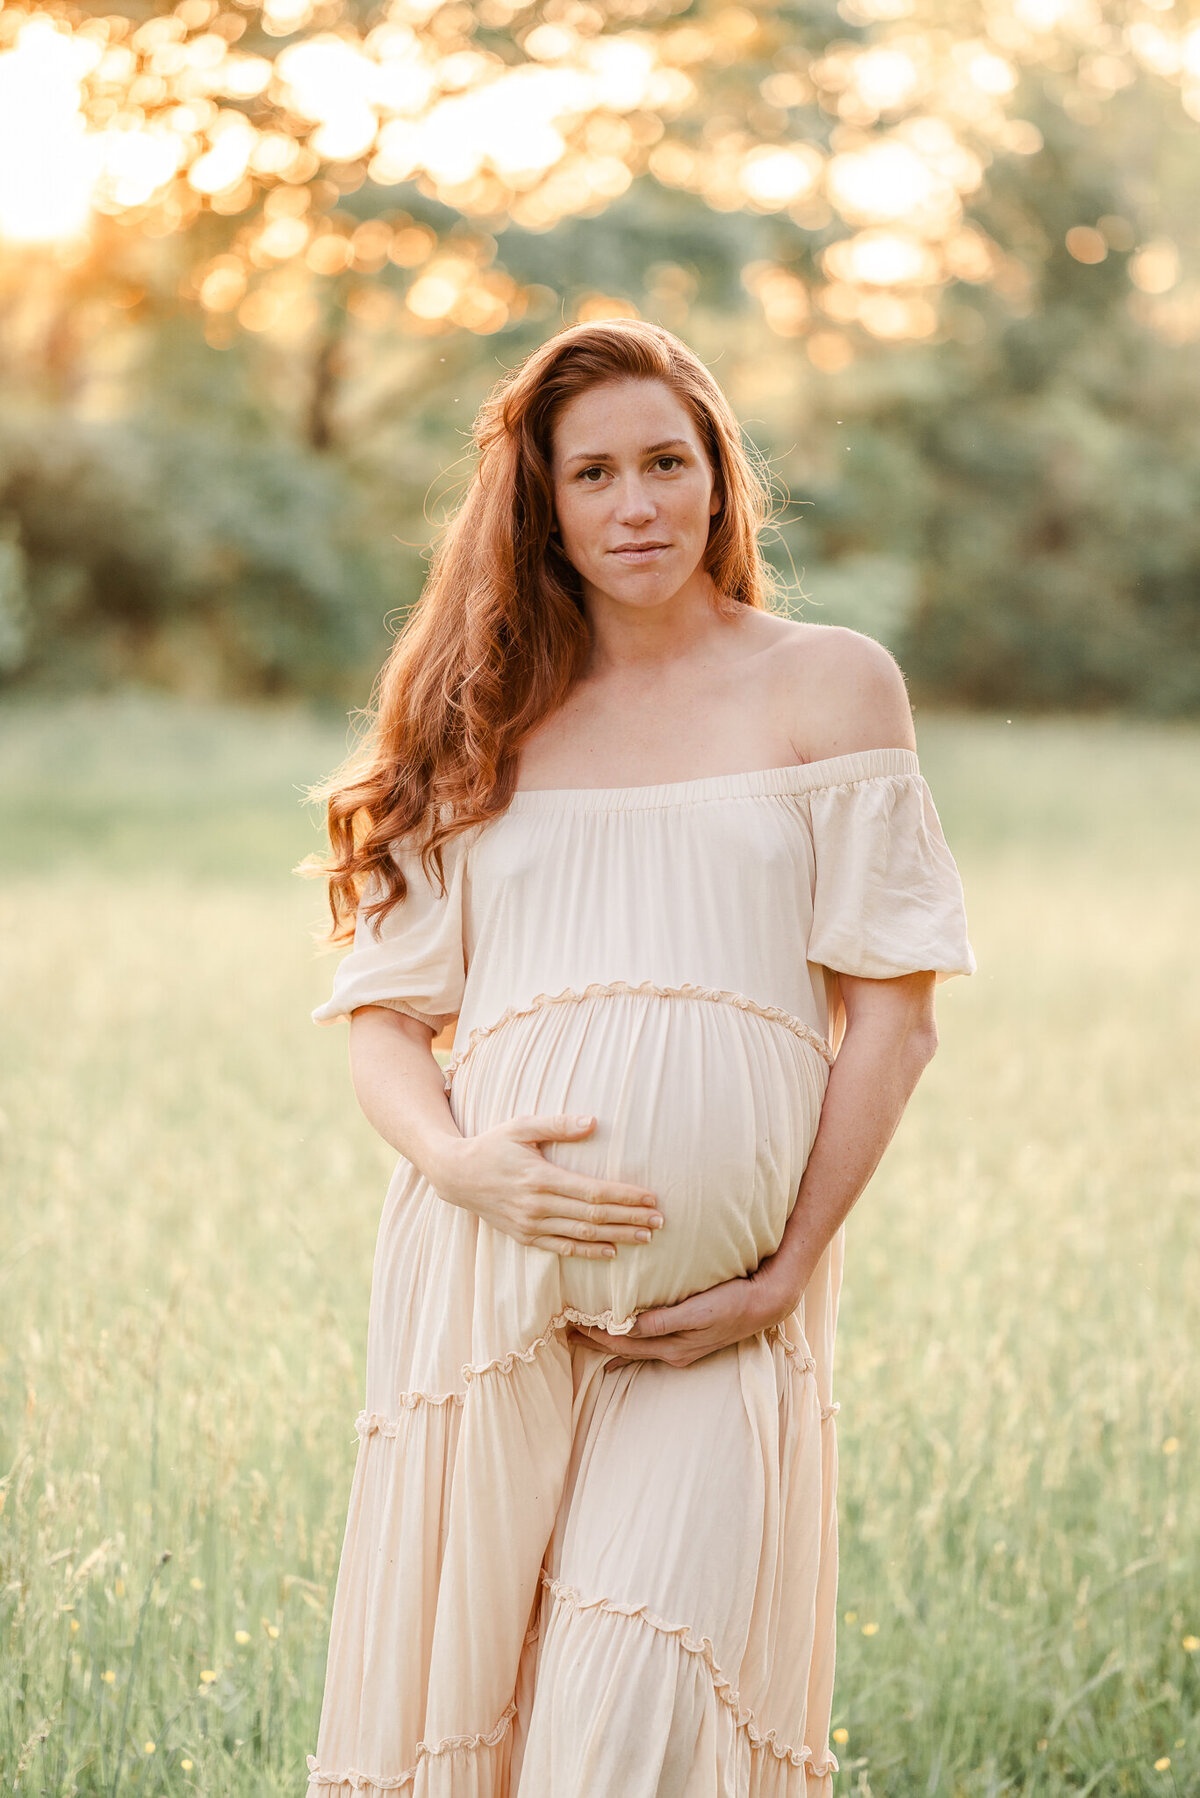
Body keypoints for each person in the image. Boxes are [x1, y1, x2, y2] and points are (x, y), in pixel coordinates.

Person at [304, 318, 974, 1797]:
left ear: (721, 476)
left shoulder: (830, 685)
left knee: (628, 1728)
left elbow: (897, 1017)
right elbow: (386, 1021)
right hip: (481, 1289)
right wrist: (465, 1163)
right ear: (542, 505)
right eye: (593, 473)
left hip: (719, 1315)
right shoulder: (480, 713)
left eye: (667, 462)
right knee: (459, 1717)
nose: (637, 506)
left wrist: (785, 1269)